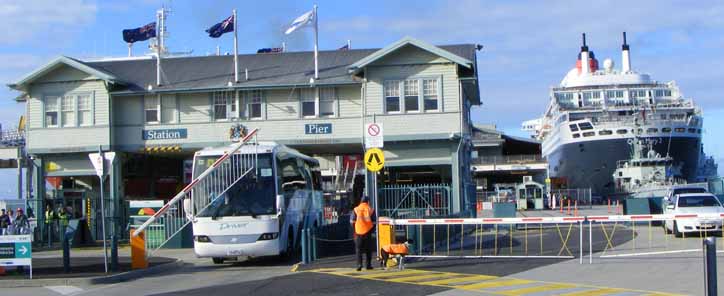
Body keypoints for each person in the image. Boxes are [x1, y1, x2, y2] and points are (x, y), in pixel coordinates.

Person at [350, 195, 376, 271]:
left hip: (358, 233)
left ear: (361, 201)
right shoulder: (370, 209)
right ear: (368, 201)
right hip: (368, 232)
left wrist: (355, 229)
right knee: (368, 249)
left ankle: (359, 265)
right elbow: (374, 222)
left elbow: (352, 222)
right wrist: (371, 231)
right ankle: (368, 265)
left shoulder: (356, 209)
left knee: (358, 249)